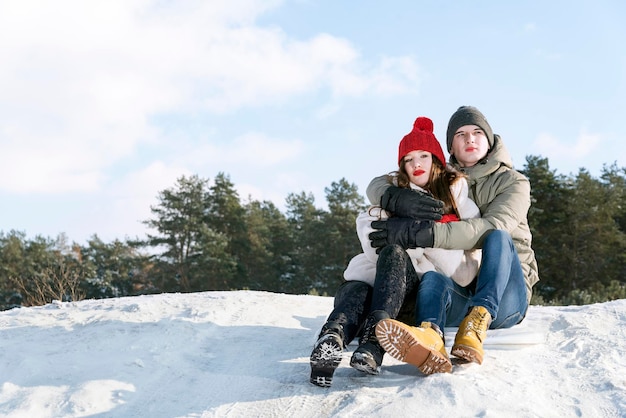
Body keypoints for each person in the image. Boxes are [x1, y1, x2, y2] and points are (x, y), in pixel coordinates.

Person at [309, 116, 481, 387]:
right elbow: (369, 232)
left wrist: (418, 233)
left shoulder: (459, 202)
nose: (416, 164)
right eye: (409, 159)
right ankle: (332, 338)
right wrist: (399, 211)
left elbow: (462, 269)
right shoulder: (393, 191)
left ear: (436, 159)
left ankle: (374, 342)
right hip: (382, 288)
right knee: (357, 288)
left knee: (394, 252)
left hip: (417, 297)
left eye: (423, 155)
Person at [367, 106, 539, 372]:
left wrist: (423, 234)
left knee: (498, 238)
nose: (469, 139)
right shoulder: (442, 176)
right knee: (435, 279)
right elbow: (379, 182)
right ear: (450, 146)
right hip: (464, 286)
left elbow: (492, 226)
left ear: (489, 139)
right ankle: (431, 335)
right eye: (461, 134)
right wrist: (395, 197)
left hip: (505, 295)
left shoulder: (514, 182)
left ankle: (479, 319)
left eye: (477, 132)